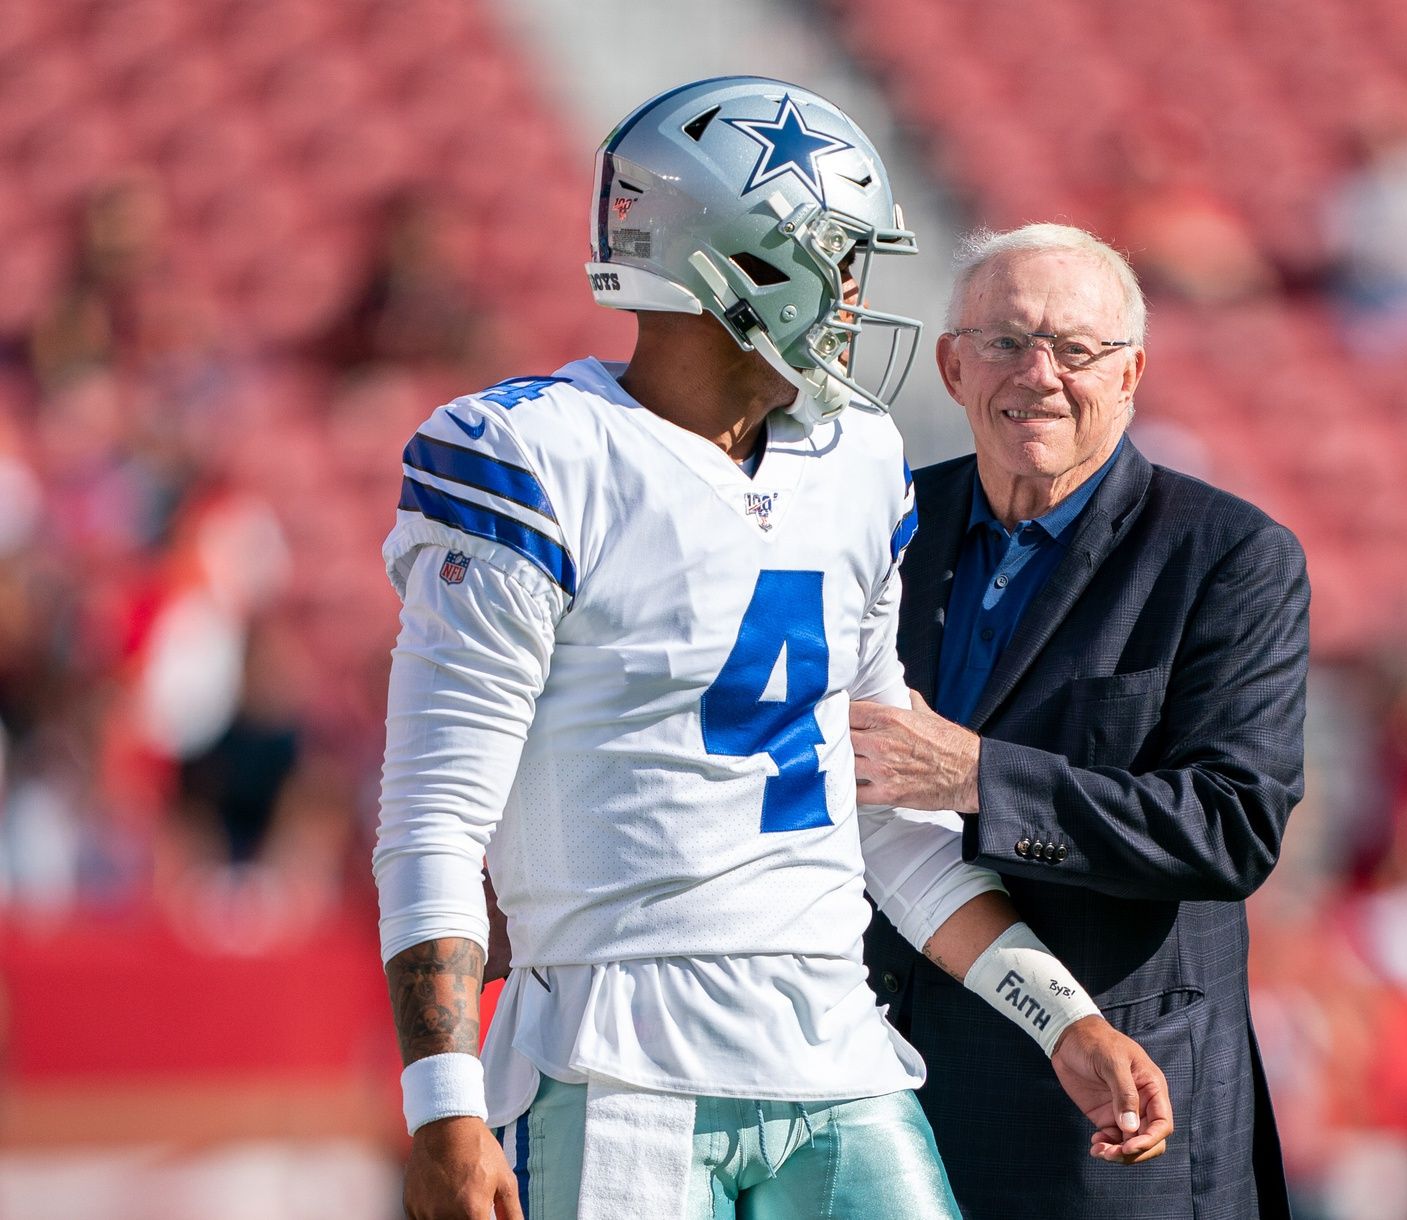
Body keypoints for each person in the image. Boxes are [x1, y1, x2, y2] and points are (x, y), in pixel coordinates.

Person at [371, 80, 1171, 1220]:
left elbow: (879, 807)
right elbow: (433, 818)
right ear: (736, 262)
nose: (854, 295)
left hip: (835, 1047)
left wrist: (1062, 1015)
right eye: (836, 257)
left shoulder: (854, 458)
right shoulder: (534, 457)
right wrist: (444, 1105)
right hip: (617, 1057)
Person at [852, 223, 1310, 1219]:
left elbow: (1230, 827)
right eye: (1007, 341)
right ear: (951, 364)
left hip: (1110, 1116)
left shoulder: (1228, 557)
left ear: (1133, 370)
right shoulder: (877, 526)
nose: (1041, 374)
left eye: (1078, 348)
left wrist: (976, 775)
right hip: (872, 1092)